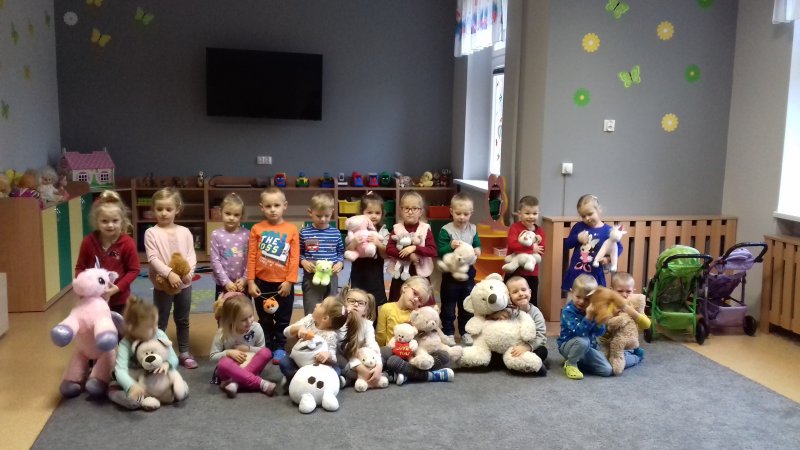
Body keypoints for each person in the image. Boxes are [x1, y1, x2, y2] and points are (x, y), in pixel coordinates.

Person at [144, 187, 198, 369]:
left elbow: (191, 255)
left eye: (168, 209)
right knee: (161, 320)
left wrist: (189, 273)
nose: (164, 213)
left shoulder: (185, 231)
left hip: (184, 284)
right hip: (163, 285)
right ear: (154, 210)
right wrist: (169, 274)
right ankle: (158, 352)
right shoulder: (151, 233)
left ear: (177, 209)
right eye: (159, 209)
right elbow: (152, 258)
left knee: (183, 319)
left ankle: (184, 352)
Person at [247, 187, 300, 364]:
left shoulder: (292, 229)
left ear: (285, 206)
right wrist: (251, 281)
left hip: (283, 285)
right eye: (268, 206)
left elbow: (294, 258)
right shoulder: (256, 228)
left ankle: (280, 347)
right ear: (261, 207)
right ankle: (267, 346)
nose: (272, 209)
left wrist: (289, 281)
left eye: (276, 205)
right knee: (265, 318)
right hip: (261, 283)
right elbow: (251, 256)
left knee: (283, 318)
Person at [377, 276, 454, 384]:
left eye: (420, 300)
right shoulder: (387, 308)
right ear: (404, 288)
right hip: (394, 353)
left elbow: (430, 333)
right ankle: (429, 376)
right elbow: (381, 335)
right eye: (415, 293)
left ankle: (401, 374)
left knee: (444, 355)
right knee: (390, 360)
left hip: (414, 355)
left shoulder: (419, 315)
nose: (416, 299)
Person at [108, 296, 180, 410]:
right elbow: (120, 370)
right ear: (132, 328)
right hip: (135, 377)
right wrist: (131, 386)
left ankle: (155, 394)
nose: (155, 328)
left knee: (172, 380)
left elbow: (173, 357)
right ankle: (119, 394)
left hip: (152, 376)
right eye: (150, 327)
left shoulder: (159, 334)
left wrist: (167, 364)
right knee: (116, 386)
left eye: (156, 324)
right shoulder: (125, 344)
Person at [75, 190, 140, 314]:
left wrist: (117, 288)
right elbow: (80, 268)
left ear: (122, 221)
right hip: (92, 299)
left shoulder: (127, 243)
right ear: (97, 221)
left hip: (119, 300)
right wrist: (82, 286)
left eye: (115, 221)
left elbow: (134, 270)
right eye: (104, 221)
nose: (110, 225)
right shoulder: (88, 242)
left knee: (118, 326)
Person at [279, 295, 361, 387]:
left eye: (321, 305)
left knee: (336, 370)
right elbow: (286, 332)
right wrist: (298, 328)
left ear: (325, 318)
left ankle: (299, 381)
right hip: (299, 361)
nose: (317, 304)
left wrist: (327, 355)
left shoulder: (331, 335)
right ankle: (297, 379)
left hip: (316, 367)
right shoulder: (309, 320)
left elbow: (333, 358)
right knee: (284, 362)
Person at [210, 292, 276, 398]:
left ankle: (235, 383)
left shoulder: (256, 328)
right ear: (231, 320)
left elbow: (261, 350)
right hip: (230, 370)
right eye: (244, 320)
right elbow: (213, 356)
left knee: (267, 352)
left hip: (250, 363)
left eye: (251, 316)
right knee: (223, 363)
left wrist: (248, 349)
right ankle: (261, 384)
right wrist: (228, 352)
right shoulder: (222, 333)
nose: (249, 322)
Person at [436, 193, 481, 346]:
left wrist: (478, 250)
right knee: (448, 305)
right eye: (458, 213)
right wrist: (449, 246)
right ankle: (448, 331)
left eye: (466, 214)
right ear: (451, 211)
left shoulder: (473, 229)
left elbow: (477, 244)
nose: (462, 217)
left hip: (468, 273)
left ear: (471, 213)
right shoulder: (446, 230)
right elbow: (440, 252)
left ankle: (465, 332)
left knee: (467, 304)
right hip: (450, 274)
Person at [486, 276, 549, 375]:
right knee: (491, 355)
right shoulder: (505, 310)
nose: (521, 294)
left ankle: (527, 364)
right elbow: (487, 322)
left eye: (523, 290)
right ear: (508, 296)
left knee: (542, 351)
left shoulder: (536, 313)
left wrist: (527, 347)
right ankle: (516, 364)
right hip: (508, 347)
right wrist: (495, 316)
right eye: (515, 292)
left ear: (530, 292)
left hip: (527, 347)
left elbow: (541, 337)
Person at [561, 194, 622, 292]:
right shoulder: (578, 227)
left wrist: (608, 259)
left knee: (595, 300)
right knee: (573, 299)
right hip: (577, 274)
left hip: (595, 275)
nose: (587, 218)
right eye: (583, 216)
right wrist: (577, 238)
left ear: (599, 210)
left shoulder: (608, 231)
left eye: (590, 214)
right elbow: (567, 244)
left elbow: (618, 247)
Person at [385, 191, 437, 305]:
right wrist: (408, 256)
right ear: (401, 210)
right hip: (400, 275)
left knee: (422, 303)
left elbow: (432, 250)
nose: (410, 212)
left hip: (420, 274)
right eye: (406, 208)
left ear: (421, 211)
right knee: (398, 302)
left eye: (414, 208)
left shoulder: (425, 229)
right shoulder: (397, 228)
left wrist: (415, 248)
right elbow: (389, 249)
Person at [557, 274, 613, 379]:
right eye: (578, 297)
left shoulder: (593, 309)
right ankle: (571, 363)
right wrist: (588, 317)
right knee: (583, 341)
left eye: (587, 299)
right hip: (568, 346)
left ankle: (579, 360)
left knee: (607, 370)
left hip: (589, 348)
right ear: (571, 292)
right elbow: (579, 332)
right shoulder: (567, 311)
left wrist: (600, 320)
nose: (582, 302)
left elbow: (600, 333)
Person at [299, 192, 344, 315]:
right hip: (311, 277)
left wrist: (340, 263)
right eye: (318, 216)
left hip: (331, 276)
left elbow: (340, 252)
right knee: (312, 310)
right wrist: (303, 261)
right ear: (310, 212)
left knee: (331, 309)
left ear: (332, 212)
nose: (323, 219)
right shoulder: (304, 232)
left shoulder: (335, 232)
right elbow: (298, 252)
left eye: (327, 215)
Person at [347, 192, 390, 316]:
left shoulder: (383, 231)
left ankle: (372, 326)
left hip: (375, 276)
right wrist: (354, 243)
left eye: (377, 213)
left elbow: (386, 255)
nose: (374, 216)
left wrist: (378, 243)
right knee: (357, 303)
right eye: (369, 212)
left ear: (382, 214)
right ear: (362, 213)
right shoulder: (354, 230)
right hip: (358, 274)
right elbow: (348, 252)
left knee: (373, 304)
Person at [597, 272, 648, 370]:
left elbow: (646, 325)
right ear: (612, 290)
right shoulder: (607, 304)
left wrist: (633, 313)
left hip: (626, 346)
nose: (624, 295)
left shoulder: (634, 305)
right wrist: (612, 315)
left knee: (619, 362)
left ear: (633, 291)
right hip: (606, 343)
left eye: (628, 291)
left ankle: (637, 357)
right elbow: (600, 326)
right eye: (620, 291)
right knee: (602, 360)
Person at [339, 287, 384, 388]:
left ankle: (352, 379)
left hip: (364, 358)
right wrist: (358, 366)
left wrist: (379, 365)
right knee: (337, 361)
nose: (355, 304)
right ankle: (375, 377)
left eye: (360, 303)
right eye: (351, 301)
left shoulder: (367, 324)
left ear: (365, 310)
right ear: (344, 304)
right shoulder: (339, 323)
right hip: (345, 357)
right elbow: (345, 349)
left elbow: (372, 344)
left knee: (386, 352)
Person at [505, 196, 545, 305]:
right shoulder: (515, 228)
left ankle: (531, 316)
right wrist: (531, 248)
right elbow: (513, 245)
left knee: (531, 301)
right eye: (527, 213)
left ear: (538, 214)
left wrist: (527, 250)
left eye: (534, 213)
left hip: (531, 273)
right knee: (509, 300)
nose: (531, 216)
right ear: (520, 214)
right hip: (514, 271)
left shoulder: (540, 231)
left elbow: (541, 250)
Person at [210, 193, 249, 300]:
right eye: (227, 213)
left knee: (244, 308)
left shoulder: (247, 234)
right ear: (221, 212)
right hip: (223, 283)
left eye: (236, 215)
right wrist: (226, 282)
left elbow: (251, 259)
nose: (231, 218)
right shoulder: (216, 235)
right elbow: (215, 261)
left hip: (242, 283)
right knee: (223, 308)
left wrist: (245, 279)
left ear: (241, 216)